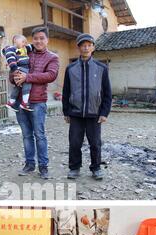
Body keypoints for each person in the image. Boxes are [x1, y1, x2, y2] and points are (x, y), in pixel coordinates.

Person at [62, 33, 112, 181]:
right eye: (83, 45)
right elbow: (66, 91)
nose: (86, 47)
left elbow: (107, 93)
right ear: (78, 47)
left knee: (95, 143)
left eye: (89, 45)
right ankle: (74, 168)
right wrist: (66, 111)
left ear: (93, 47)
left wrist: (104, 112)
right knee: (75, 142)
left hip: (94, 113)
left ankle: (96, 168)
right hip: (76, 113)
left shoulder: (101, 68)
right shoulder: (70, 68)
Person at [11, 27, 59, 180]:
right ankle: (29, 164)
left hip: (38, 102)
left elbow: (50, 75)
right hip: (20, 101)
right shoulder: (24, 53)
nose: (38, 41)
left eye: (41, 38)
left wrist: (27, 77)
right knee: (26, 135)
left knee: (39, 135)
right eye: (35, 38)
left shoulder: (52, 57)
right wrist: (15, 76)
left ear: (47, 40)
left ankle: (43, 166)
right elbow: (12, 75)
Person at [3, 34, 33, 112]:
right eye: (23, 41)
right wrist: (14, 67)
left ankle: (10, 103)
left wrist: (35, 44)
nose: (25, 43)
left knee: (18, 86)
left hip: (23, 68)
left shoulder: (24, 48)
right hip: (19, 68)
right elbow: (10, 57)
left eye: (25, 42)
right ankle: (24, 103)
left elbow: (31, 46)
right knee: (28, 82)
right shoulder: (11, 48)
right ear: (15, 41)